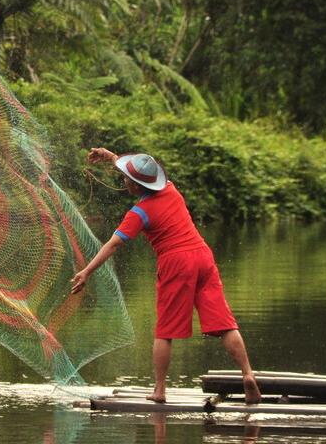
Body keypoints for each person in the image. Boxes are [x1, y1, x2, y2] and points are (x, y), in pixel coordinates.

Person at [70, 148, 262, 405]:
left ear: (136, 186)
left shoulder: (139, 213)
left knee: (165, 331)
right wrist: (111, 157)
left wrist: (87, 271)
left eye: (126, 180)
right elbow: (140, 175)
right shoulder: (171, 189)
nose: (124, 182)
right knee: (224, 323)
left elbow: (112, 245)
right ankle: (248, 374)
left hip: (176, 262)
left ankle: (159, 389)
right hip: (202, 256)